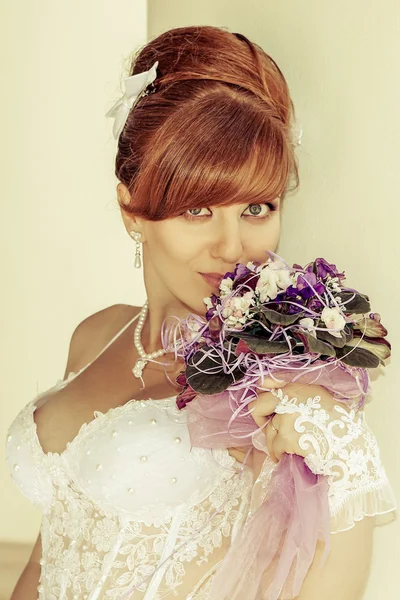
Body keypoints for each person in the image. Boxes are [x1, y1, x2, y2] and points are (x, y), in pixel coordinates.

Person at [6, 25, 397, 600]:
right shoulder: (97, 334)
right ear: (131, 210)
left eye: (257, 207)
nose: (232, 245)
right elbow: (51, 555)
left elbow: (325, 574)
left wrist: (335, 443)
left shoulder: (279, 378)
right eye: (197, 209)